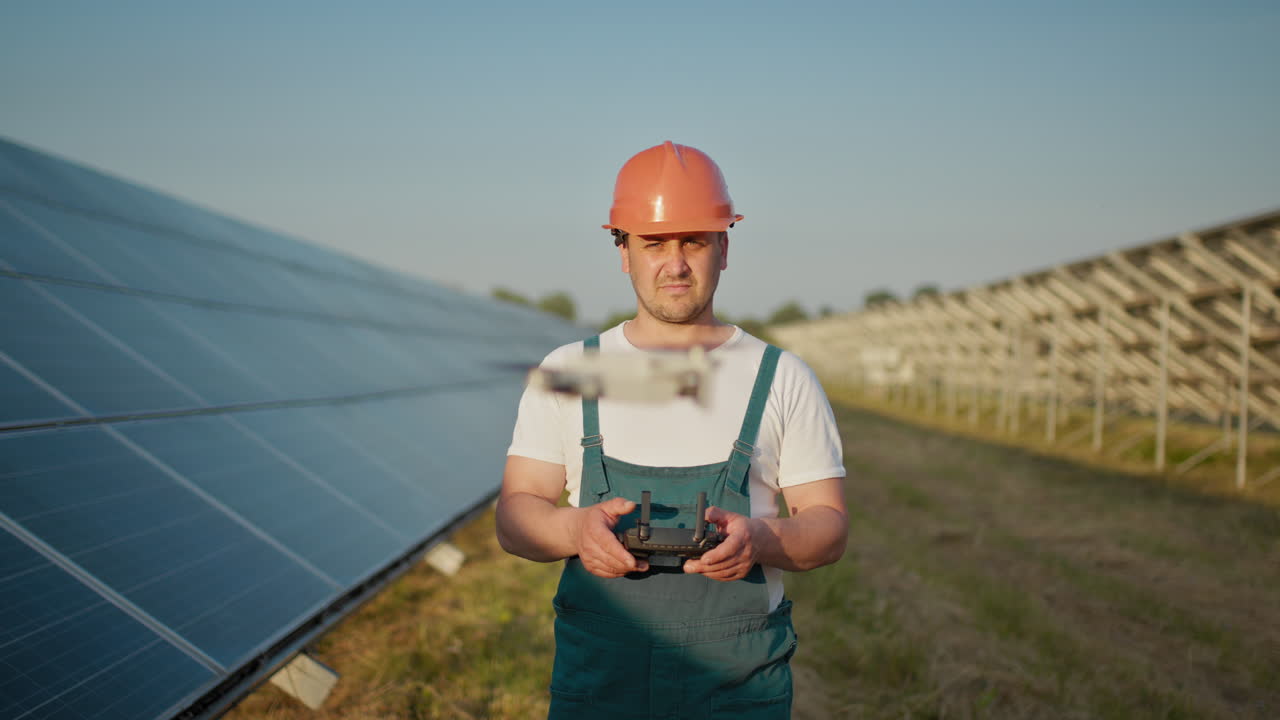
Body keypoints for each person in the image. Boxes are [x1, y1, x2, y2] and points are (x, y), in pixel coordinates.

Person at [497, 140, 848, 719]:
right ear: (623, 252)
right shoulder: (567, 372)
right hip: (600, 690)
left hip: (736, 692)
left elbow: (828, 528)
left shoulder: (781, 377)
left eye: (694, 240)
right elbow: (515, 517)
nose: (676, 263)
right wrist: (575, 528)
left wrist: (760, 540)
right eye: (654, 243)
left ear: (724, 247)